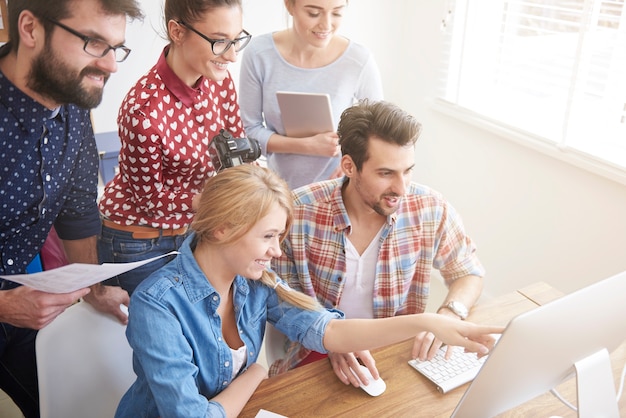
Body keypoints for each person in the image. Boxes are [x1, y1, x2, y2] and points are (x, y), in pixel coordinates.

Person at [114, 164, 503, 418]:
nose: (276, 251)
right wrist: (255, 375)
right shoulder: (157, 306)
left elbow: (329, 332)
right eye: (267, 236)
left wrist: (429, 321)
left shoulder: (254, 283)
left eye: (279, 236)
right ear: (221, 230)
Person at [269, 99, 486, 388]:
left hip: (397, 352)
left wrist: (450, 312)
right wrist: (333, 338)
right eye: (386, 174)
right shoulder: (298, 211)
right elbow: (279, 298)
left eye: (407, 171)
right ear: (349, 166)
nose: (401, 188)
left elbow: (468, 271)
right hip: (318, 350)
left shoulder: (430, 209)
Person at [0, 0, 143, 416]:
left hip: (22, 295)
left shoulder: (72, 101)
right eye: (94, 43)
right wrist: (4, 306)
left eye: (116, 47)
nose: (112, 65)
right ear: (30, 29)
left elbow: (77, 209)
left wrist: (95, 287)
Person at [98, 0, 252, 295]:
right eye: (220, 42)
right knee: (157, 335)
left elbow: (237, 152)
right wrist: (216, 200)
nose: (232, 56)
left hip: (194, 228)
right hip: (139, 240)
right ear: (178, 32)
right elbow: (150, 200)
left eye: (236, 40)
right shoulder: (143, 111)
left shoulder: (220, 81)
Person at [238, 0, 383, 189]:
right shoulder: (259, 54)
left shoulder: (358, 60)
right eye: (314, 13)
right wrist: (307, 145)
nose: (326, 25)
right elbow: (248, 132)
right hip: (277, 190)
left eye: (337, 13)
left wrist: (354, 160)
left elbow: (378, 133)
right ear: (289, 5)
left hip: (338, 189)